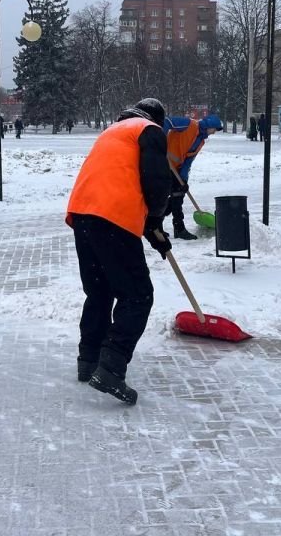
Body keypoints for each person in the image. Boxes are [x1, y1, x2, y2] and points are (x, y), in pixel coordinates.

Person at [65, 97, 171, 405]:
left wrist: (154, 233)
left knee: (99, 291)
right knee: (137, 296)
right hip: (112, 216)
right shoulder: (149, 130)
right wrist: (155, 220)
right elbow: (156, 183)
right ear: (157, 119)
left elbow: (122, 181)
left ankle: (89, 361)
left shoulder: (113, 131)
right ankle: (111, 368)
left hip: (82, 213)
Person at [163, 113, 223, 240]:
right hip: (162, 162)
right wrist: (160, 142)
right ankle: (175, 228)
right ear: (209, 126)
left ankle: (163, 225)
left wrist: (183, 178)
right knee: (171, 196)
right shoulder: (188, 124)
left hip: (176, 168)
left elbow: (188, 160)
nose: (214, 132)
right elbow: (167, 121)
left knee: (178, 195)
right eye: (214, 129)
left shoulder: (200, 141)